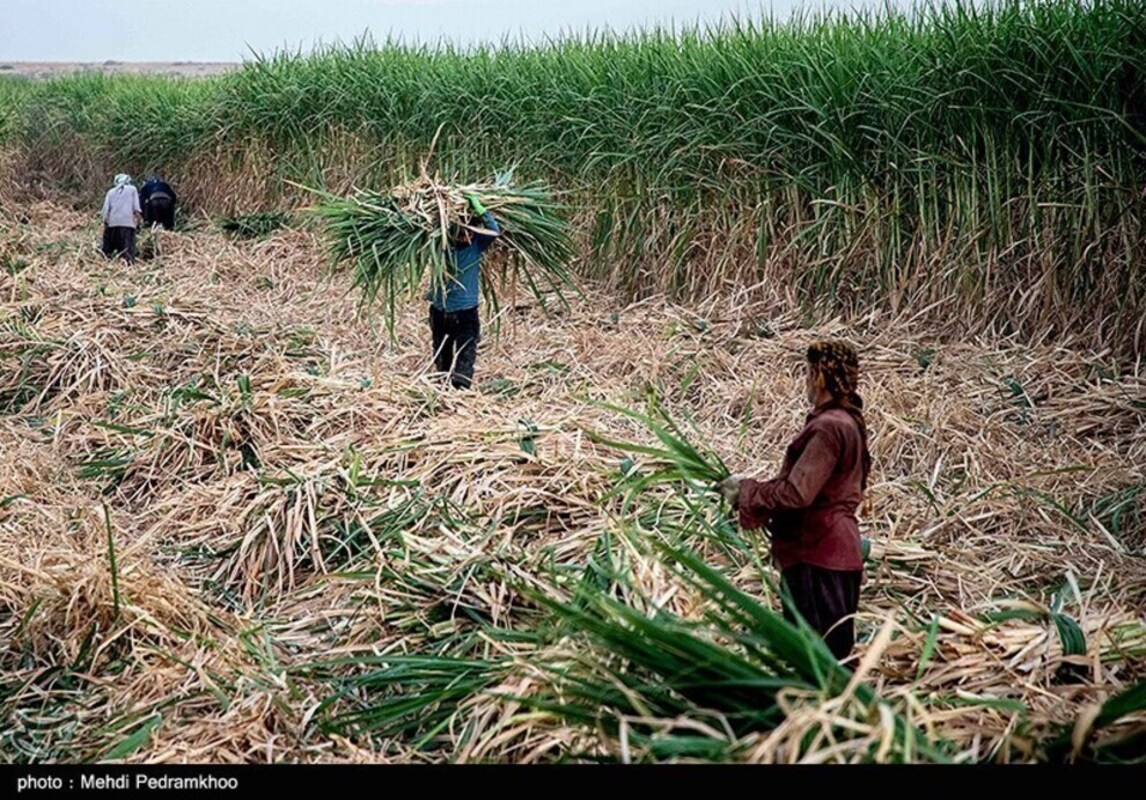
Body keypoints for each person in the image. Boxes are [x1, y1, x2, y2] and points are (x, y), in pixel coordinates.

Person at [719, 341, 873, 663]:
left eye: (807, 372)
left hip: (818, 555)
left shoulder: (830, 427)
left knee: (816, 658)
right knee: (834, 655)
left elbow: (796, 493)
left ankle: (823, 711)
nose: (804, 379)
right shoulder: (849, 423)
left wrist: (745, 492)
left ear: (819, 377)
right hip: (838, 552)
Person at [428, 193, 501, 389]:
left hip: (456, 310)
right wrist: (482, 211)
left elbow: (494, 231)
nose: (466, 236)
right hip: (451, 311)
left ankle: (457, 384)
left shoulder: (440, 244)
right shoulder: (444, 245)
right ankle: (448, 381)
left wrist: (479, 209)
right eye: (462, 232)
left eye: (468, 231)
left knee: (462, 349)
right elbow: (494, 230)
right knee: (449, 349)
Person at [100, 173, 142, 263]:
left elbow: (106, 210)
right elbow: (136, 208)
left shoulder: (111, 192)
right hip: (127, 224)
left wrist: (105, 223)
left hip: (112, 223)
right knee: (127, 251)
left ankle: (106, 264)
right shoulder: (132, 190)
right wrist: (139, 222)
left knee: (108, 251)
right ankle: (128, 265)